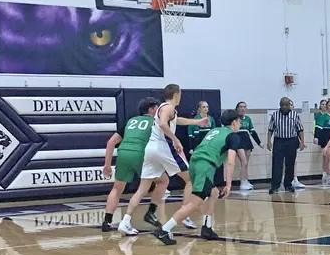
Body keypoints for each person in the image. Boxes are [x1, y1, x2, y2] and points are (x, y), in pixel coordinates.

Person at [118, 84, 209, 236]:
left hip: (151, 149)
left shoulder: (163, 108)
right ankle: (184, 215)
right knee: (191, 179)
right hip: (164, 147)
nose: (180, 97)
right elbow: (162, 124)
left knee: (146, 186)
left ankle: (127, 221)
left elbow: (175, 120)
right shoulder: (169, 107)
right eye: (180, 94)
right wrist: (175, 140)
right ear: (176, 95)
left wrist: (196, 122)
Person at [153, 109, 243, 245]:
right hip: (205, 166)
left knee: (213, 192)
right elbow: (230, 161)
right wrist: (229, 184)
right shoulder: (233, 136)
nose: (240, 124)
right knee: (195, 202)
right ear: (234, 122)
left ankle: (207, 227)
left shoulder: (214, 131)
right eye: (239, 121)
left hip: (195, 163)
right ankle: (164, 229)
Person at [101, 97, 160, 232]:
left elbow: (111, 142)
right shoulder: (155, 122)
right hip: (140, 154)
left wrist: (107, 165)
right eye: (157, 108)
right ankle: (151, 213)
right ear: (151, 110)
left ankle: (107, 221)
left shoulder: (130, 121)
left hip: (123, 153)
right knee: (162, 182)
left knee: (117, 189)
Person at [267, 97, 305, 193]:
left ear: (289, 105)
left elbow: (300, 129)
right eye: (282, 105)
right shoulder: (275, 115)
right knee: (277, 164)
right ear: (280, 105)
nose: (284, 106)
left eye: (286, 105)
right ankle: (275, 186)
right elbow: (270, 129)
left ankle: (288, 184)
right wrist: (268, 141)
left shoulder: (295, 115)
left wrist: (302, 142)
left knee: (290, 164)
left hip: (291, 141)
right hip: (279, 141)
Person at [234, 102, 263, 191]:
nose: (242, 108)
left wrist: (259, 143)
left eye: (244, 107)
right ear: (237, 108)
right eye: (241, 107)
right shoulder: (234, 119)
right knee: (244, 162)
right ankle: (242, 182)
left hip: (247, 141)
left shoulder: (248, 119)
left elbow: (252, 132)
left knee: (246, 163)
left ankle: (246, 180)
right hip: (238, 142)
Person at [314, 100, 330, 185]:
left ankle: (328, 175)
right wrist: (316, 137)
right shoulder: (323, 116)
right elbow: (318, 127)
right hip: (326, 138)